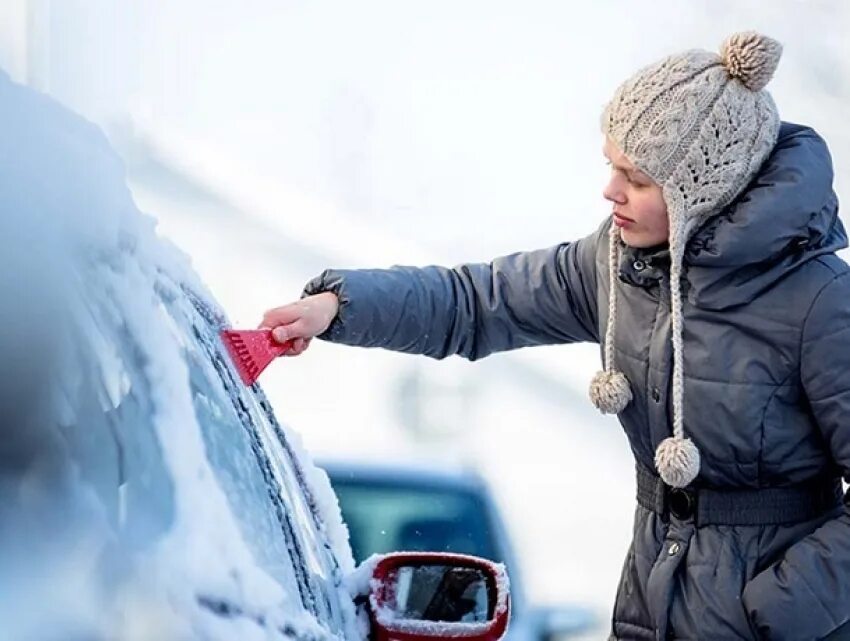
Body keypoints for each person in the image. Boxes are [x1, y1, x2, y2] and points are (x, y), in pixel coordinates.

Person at [259, 32, 850, 640]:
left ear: (703, 191)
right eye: (610, 165)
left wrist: (783, 608)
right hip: (652, 608)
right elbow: (477, 302)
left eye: (637, 179)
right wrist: (339, 306)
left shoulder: (819, 299)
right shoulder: (618, 264)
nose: (610, 191)